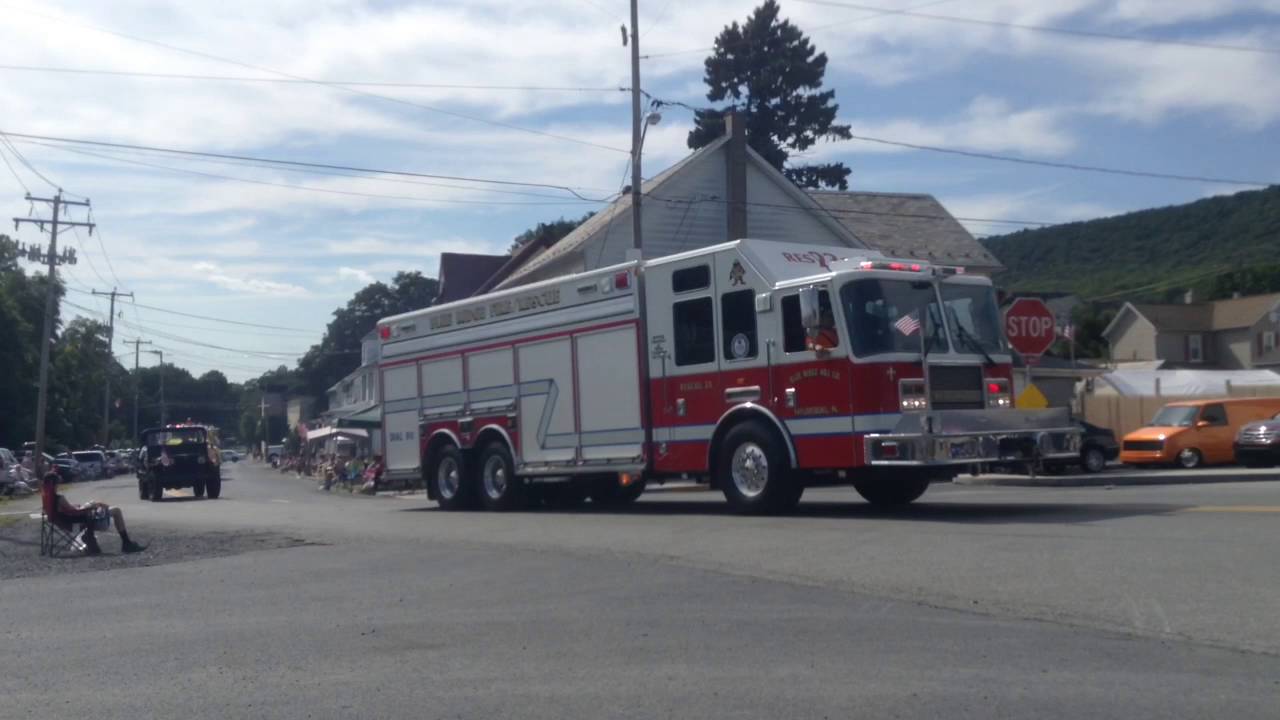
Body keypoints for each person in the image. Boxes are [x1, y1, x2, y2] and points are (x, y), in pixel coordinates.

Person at [40, 473, 145, 555]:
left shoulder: (48, 497)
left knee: (97, 504)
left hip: (65, 523)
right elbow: (75, 512)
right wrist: (91, 507)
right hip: (79, 523)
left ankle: (125, 543)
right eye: (57, 483)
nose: (58, 485)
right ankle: (126, 543)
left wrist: (83, 506)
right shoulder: (60, 498)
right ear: (54, 484)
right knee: (117, 511)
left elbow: (69, 511)